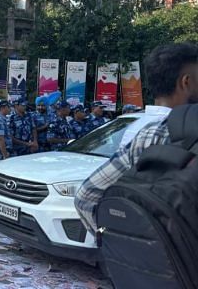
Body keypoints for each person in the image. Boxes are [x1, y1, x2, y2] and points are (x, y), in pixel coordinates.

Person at [75, 43, 198, 232]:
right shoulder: (154, 131)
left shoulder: (145, 133)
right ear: (186, 82)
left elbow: (87, 195)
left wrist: (123, 244)